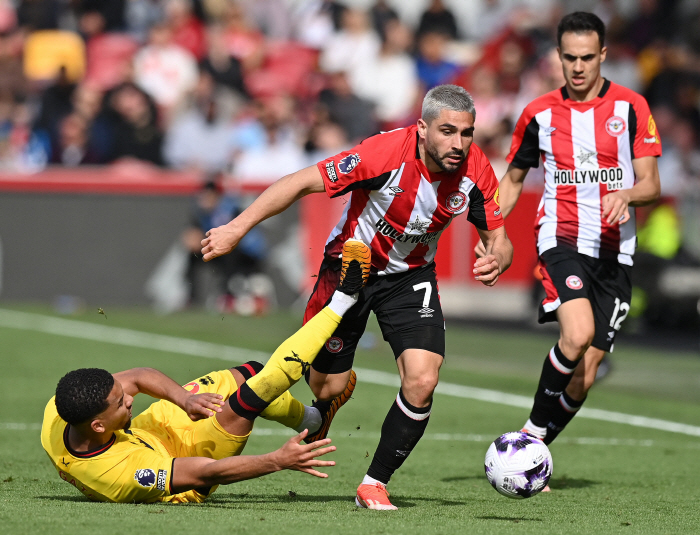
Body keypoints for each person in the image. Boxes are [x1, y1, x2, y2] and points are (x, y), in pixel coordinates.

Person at [201, 84, 513, 509]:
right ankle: (333, 394)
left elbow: (501, 238)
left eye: (467, 133)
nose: (458, 144)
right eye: (447, 131)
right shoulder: (380, 154)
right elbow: (299, 182)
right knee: (324, 386)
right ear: (422, 129)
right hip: (351, 269)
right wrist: (238, 227)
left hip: (411, 277)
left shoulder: (475, 170)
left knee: (422, 380)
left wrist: (497, 259)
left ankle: (374, 482)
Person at [41, 239, 371, 503]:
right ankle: (344, 299)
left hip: (151, 432)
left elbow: (140, 376)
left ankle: (313, 421)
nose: (128, 398)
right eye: (120, 403)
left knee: (250, 373)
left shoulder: (61, 411)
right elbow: (205, 472)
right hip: (183, 461)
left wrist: (184, 399)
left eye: (120, 393)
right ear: (97, 425)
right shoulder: (120, 474)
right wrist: (277, 460)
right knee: (254, 393)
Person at [476, 12, 661, 460]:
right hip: (561, 238)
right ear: (558, 56)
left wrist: (629, 195)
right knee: (576, 336)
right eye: (569, 58)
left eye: (586, 58)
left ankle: (533, 448)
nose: (578, 67)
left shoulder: (631, 107)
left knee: (586, 373)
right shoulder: (538, 113)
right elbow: (515, 178)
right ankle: (527, 440)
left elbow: (651, 183)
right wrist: (494, 233)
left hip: (616, 250)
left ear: (602, 55)